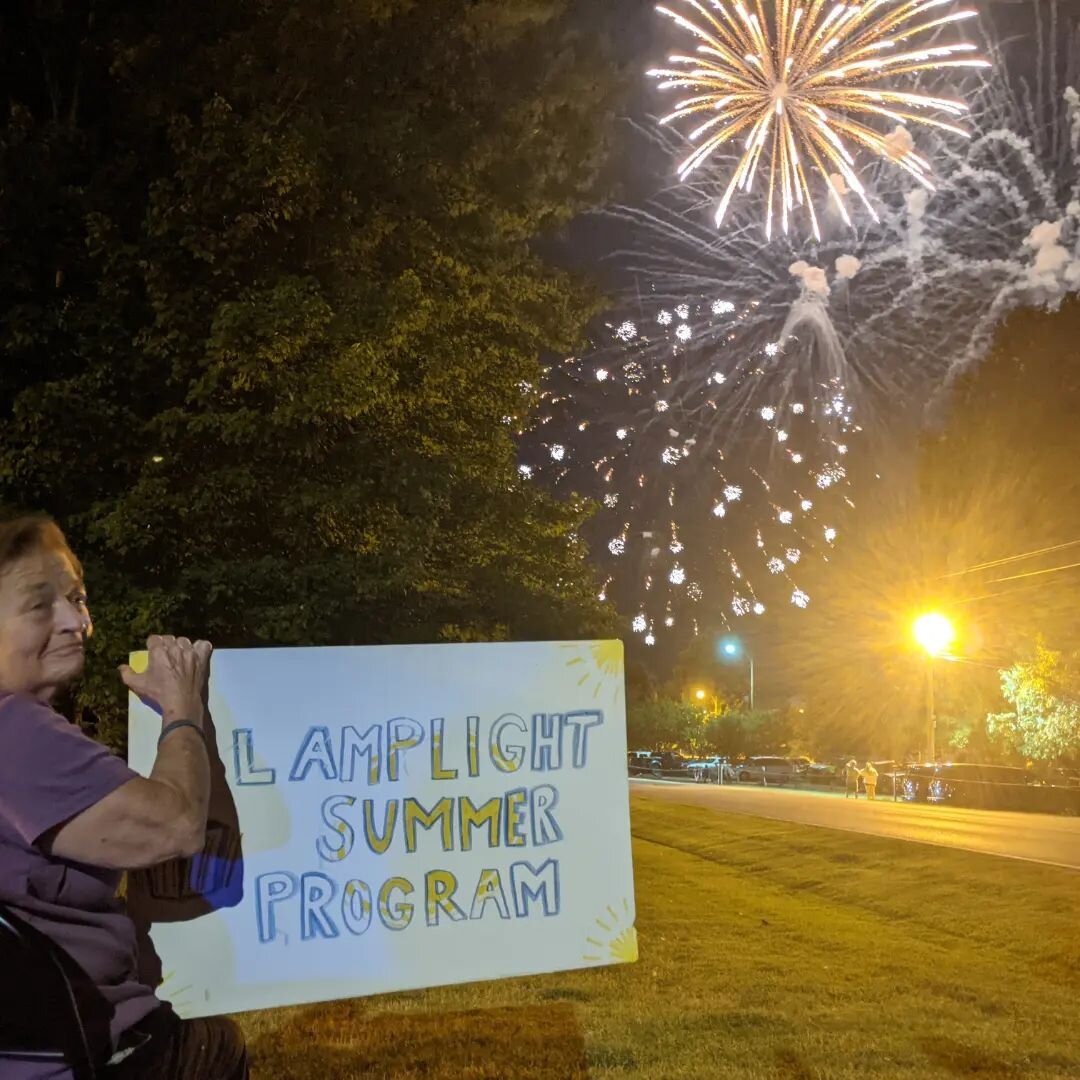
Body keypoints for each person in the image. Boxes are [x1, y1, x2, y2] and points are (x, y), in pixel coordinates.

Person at [0, 515, 248, 1078]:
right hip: (84, 1055)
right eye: (40, 605)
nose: (76, 621)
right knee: (215, 1047)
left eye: (77, 597)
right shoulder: (14, 731)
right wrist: (184, 705)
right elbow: (176, 826)